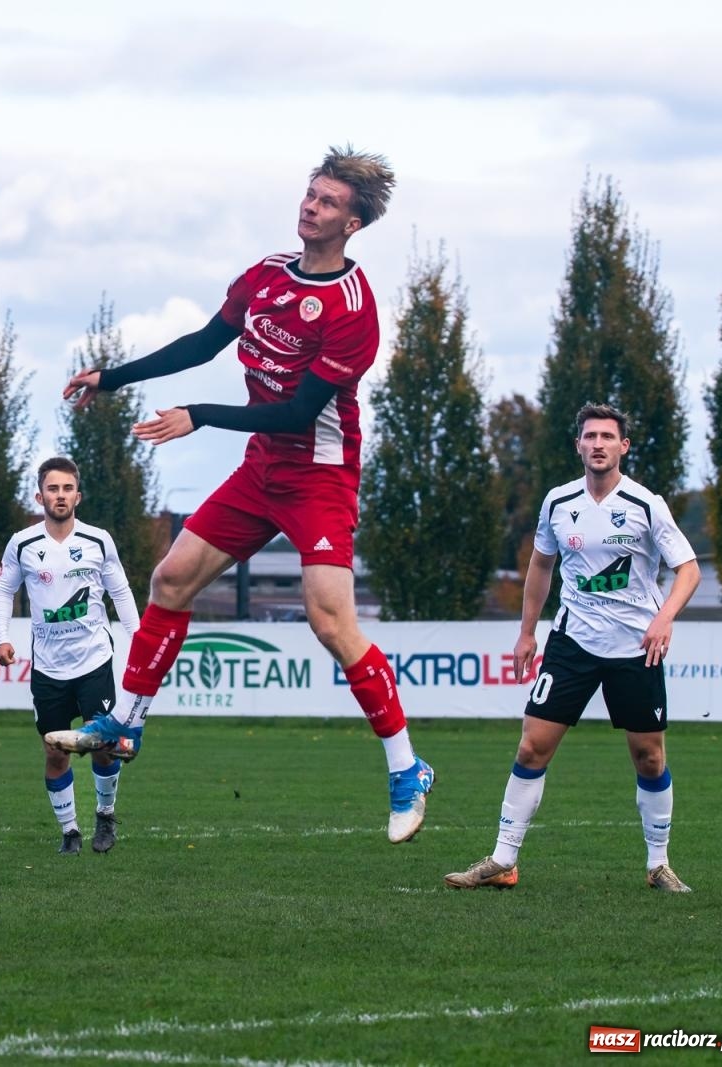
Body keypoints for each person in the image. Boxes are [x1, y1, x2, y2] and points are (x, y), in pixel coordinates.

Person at [47, 145, 437, 843]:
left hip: (319, 475)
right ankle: (125, 719)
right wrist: (111, 377)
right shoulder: (265, 274)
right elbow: (204, 341)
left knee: (330, 623)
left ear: (352, 223)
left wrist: (200, 414)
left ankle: (408, 769)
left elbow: (295, 413)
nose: (309, 206)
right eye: (309, 193)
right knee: (170, 579)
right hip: (262, 468)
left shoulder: (354, 310)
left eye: (326, 202)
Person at [445, 403, 699, 892]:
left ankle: (658, 865)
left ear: (623, 447)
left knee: (649, 757)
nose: (598, 444)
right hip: (572, 642)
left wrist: (664, 619)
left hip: (634, 646)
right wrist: (526, 631)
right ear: (579, 445)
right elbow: (541, 566)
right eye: (590, 436)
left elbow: (688, 569)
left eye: (608, 436)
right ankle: (503, 860)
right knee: (532, 745)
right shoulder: (558, 503)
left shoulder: (647, 504)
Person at [0, 457, 140, 855]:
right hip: (49, 668)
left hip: (94, 660)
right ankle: (70, 832)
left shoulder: (98, 540)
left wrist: (139, 637)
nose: (60, 496)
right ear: (40, 495)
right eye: (53, 489)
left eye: (67, 488)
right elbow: (5, 591)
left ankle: (105, 817)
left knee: (104, 745)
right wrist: (2, 637)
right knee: (54, 752)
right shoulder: (22, 543)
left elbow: (121, 592)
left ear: (78, 495)